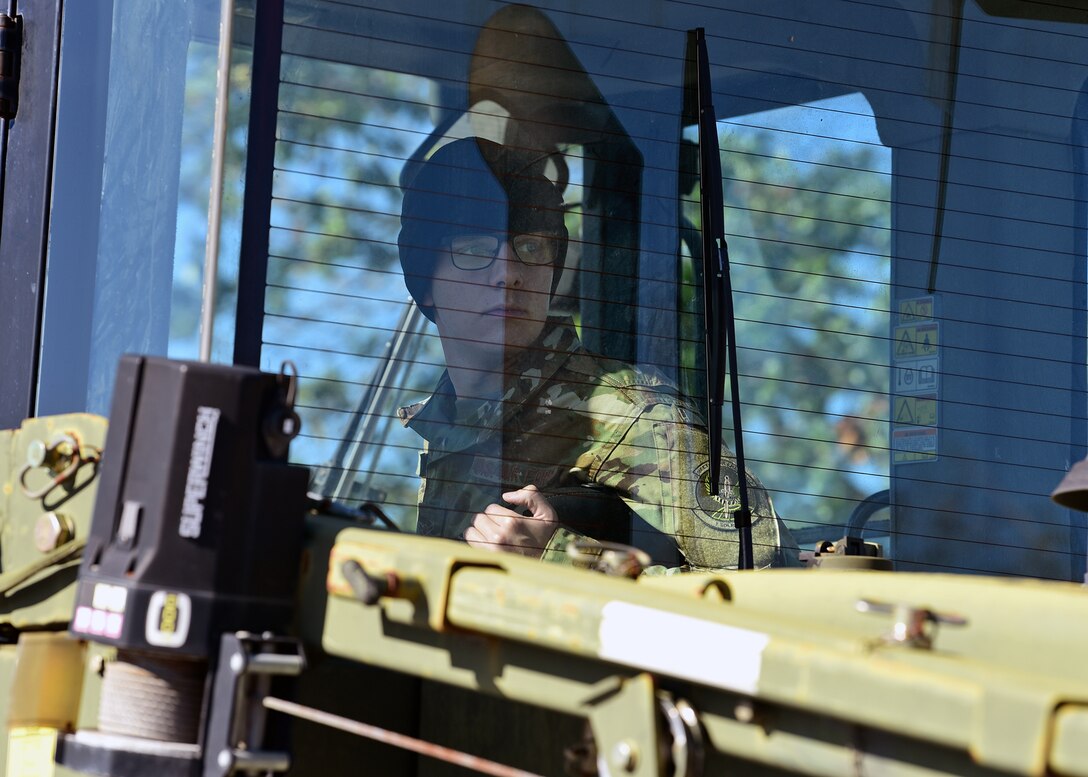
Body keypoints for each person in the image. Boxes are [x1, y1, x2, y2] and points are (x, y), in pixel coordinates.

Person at [396, 137, 797, 571]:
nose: (509, 273)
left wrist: (561, 561)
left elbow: (769, 580)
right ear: (425, 281)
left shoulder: (628, 414)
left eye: (530, 248)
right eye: (474, 250)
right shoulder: (449, 426)